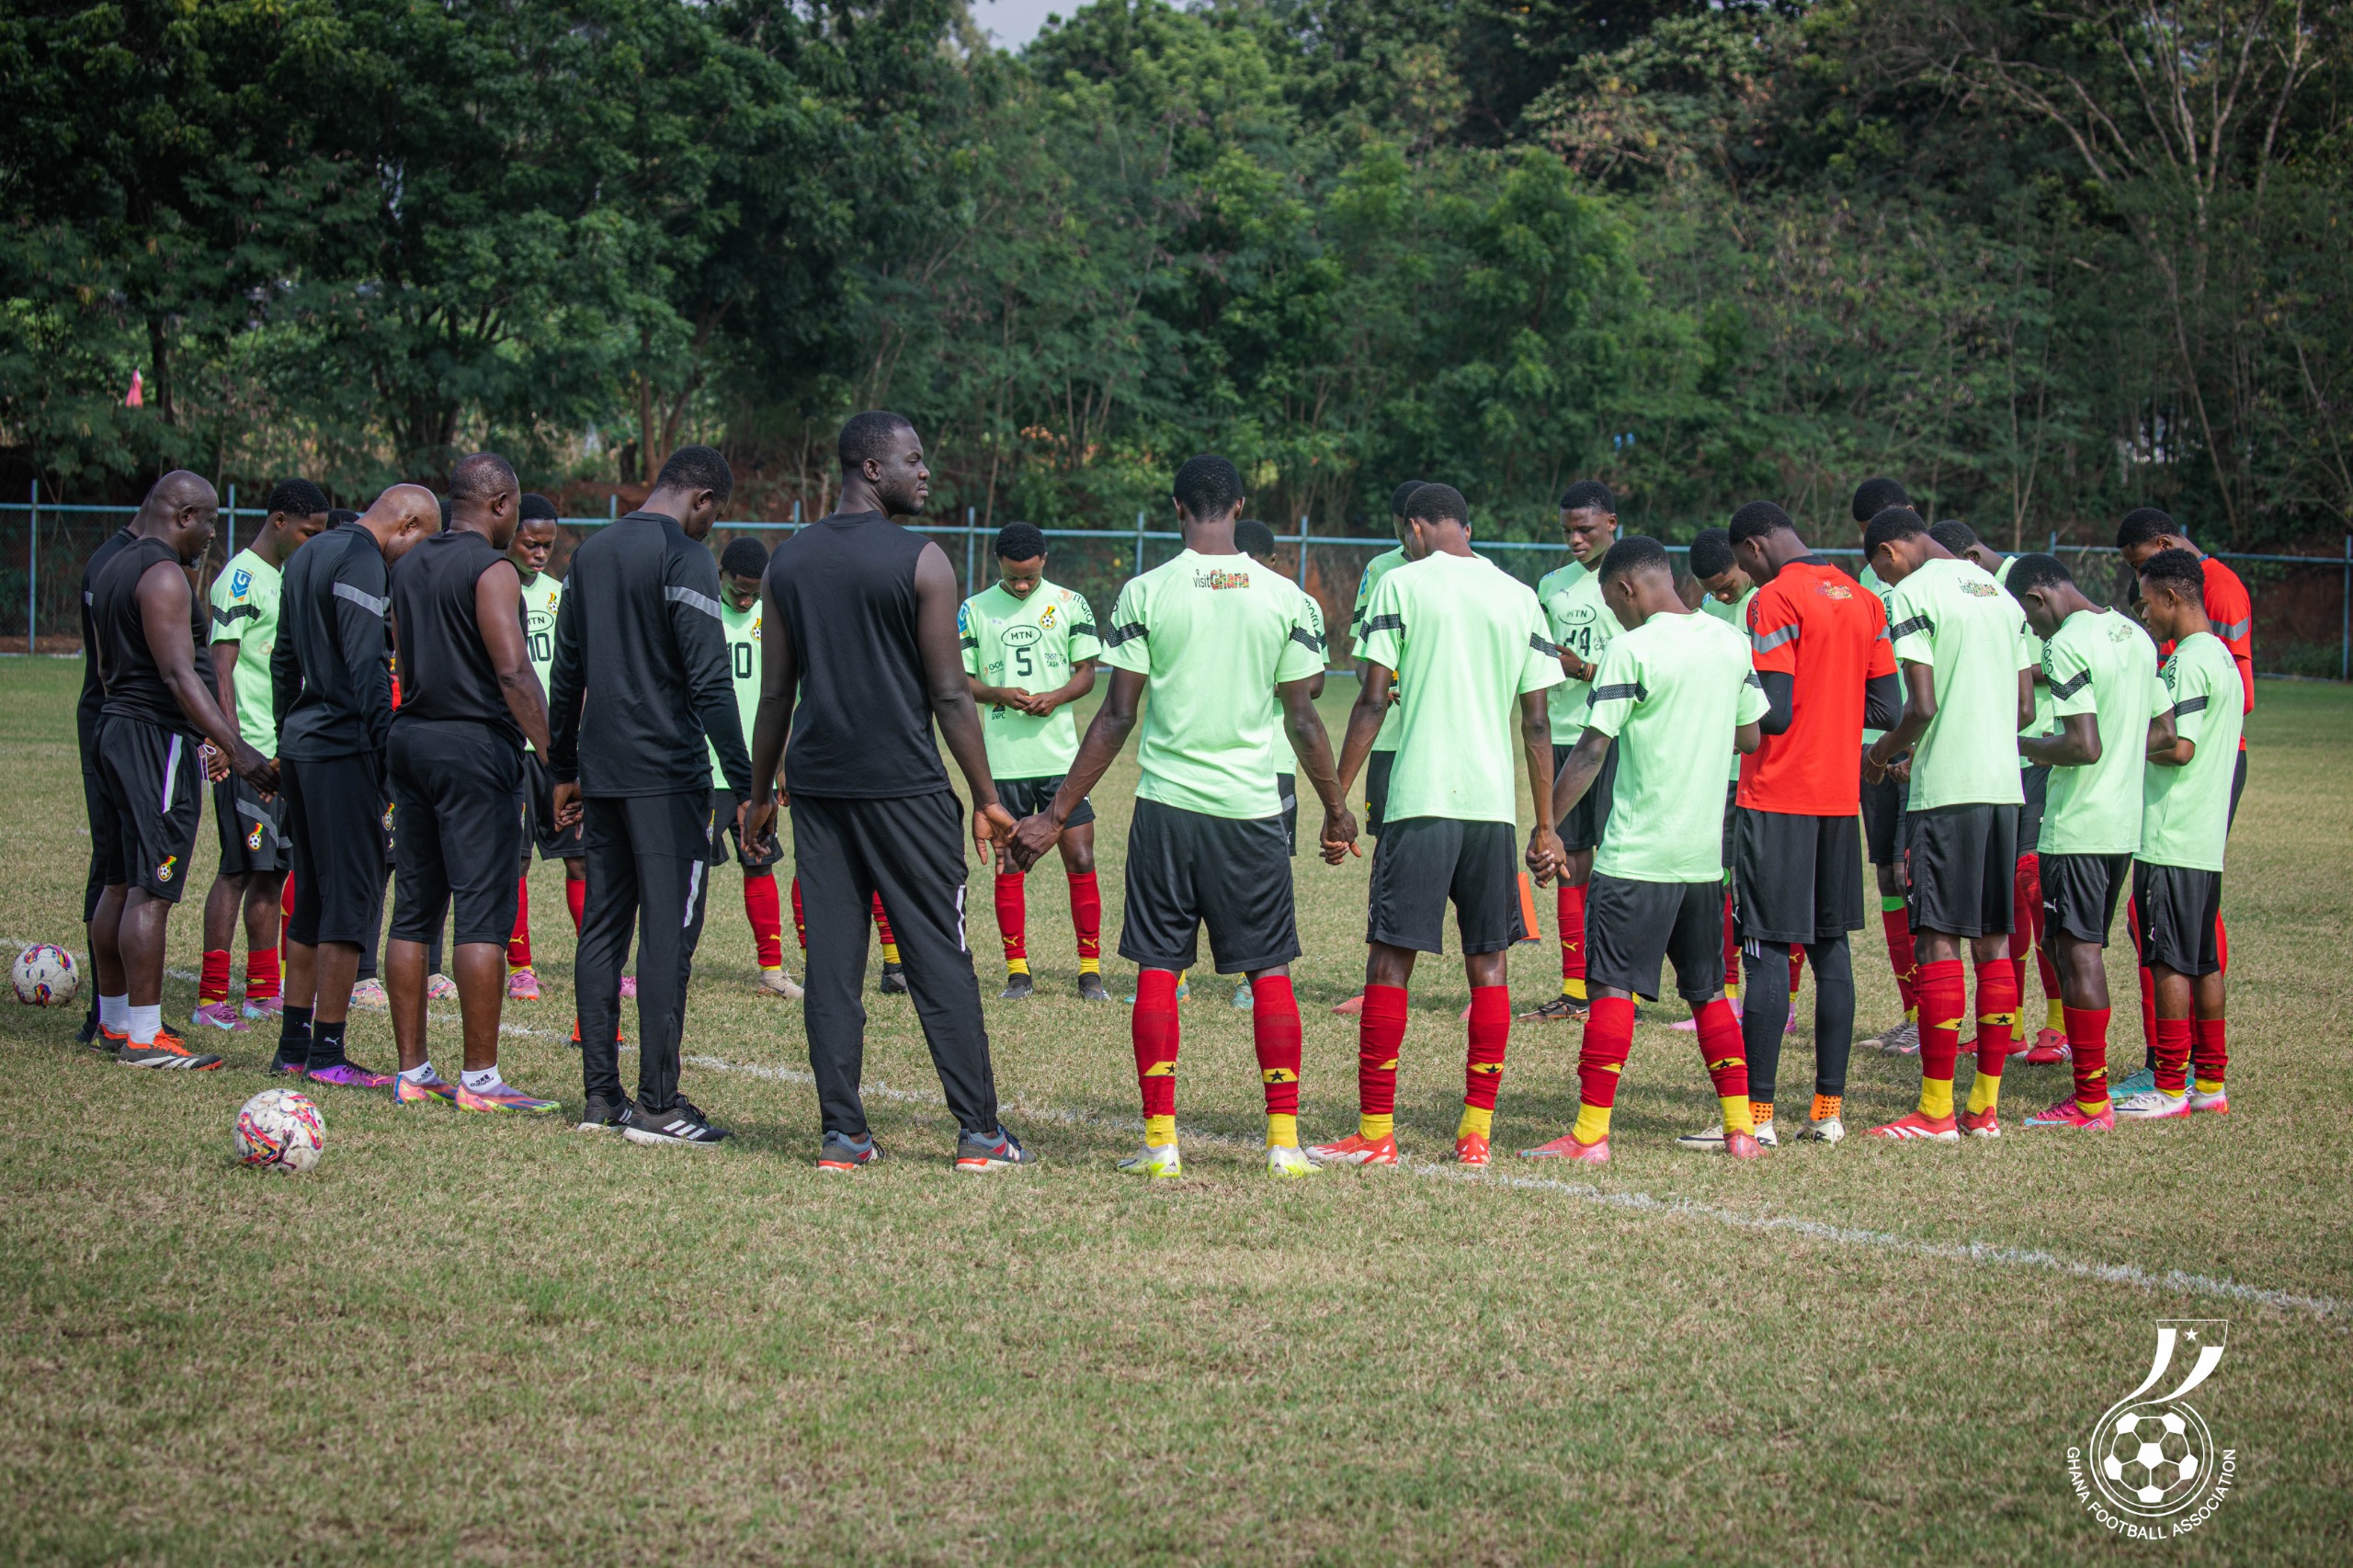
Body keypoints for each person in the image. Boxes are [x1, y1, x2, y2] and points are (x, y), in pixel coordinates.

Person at [1006, 455, 1345, 1179]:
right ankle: (1283, 1146)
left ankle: (1161, 1146)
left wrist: (1054, 814)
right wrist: (1337, 806)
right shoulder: (1284, 596)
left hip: (1168, 810)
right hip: (1251, 812)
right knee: (1270, 969)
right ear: (1241, 504)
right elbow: (1305, 718)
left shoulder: (1145, 591)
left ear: (1176, 509)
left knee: (1159, 967)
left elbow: (1116, 715)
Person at [746, 413, 1033, 1173]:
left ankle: (842, 1135)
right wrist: (987, 794)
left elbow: (777, 696)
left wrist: (759, 794)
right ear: (871, 471)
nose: (924, 473)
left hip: (818, 790)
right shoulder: (923, 561)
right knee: (941, 956)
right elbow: (948, 694)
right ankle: (980, 1134)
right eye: (912, 460)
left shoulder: (787, 563)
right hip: (905, 790)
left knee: (834, 968)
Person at [1306, 483, 1553, 1170]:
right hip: (1492, 810)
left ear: (1414, 528)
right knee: (1490, 966)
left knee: (1390, 959)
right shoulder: (1519, 595)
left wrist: (1338, 801)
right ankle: (1476, 1136)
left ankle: (1376, 1134)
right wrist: (1545, 825)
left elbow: (1373, 696)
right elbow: (1536, 720)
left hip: (1419, 798)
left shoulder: (1402, 584)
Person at [1523, 537, 1770, 1164]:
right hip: (1700, 861)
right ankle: (1740, 1131)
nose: (1616, 615)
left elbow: (1590, 751)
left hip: (1635, 858)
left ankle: (1589, 1136)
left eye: (1613, 603)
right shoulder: (1728, 641)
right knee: (1709, 993)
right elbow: (1749, 733)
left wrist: (1547, 826)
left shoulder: (1631, 650)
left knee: (1609, 990)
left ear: (1627, 591)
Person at [548, 446, 753, 1145]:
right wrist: (748, 781)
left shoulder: (591, 552)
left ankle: (600, 1099)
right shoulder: (684, 554)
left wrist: (561, 765)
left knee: (602, 930)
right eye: (713, 513)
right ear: (701, 500)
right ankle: (659, 1106)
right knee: (668, 939)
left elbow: (566, 669)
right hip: (667, 779)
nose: (710, 526)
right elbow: (709, 681)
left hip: (602, 773)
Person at [1705, 503, 1901, 1147]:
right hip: (1839, 802)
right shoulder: (1861, 597)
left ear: (1755, 547)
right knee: (1830, 952)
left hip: (1777, 798)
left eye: (1744, 563)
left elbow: (1779, 713)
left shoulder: (1775, 599)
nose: (1747, 576)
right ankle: (1827, 1112)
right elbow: (1888, 704)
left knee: (1763, 953)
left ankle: (1757, 1119)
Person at [381, 453, 560, 1113]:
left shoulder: (408, 562)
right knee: (482, 910)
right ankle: (481, 1081)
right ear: (503, 505)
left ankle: (413, 1071)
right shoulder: (493, 569)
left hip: (411, 737)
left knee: (415, 909)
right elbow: (513, 671)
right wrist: (553, 756)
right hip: (471, 747)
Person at [86, 472, 278, 1067]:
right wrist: (238, 751)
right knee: (153, 886)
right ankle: (146, 1037)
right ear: (186, 515)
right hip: (155, 740)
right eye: (210, 526)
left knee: (119, 879)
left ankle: (116, 1020)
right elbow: (179, 676)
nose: (211, 542)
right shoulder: (164, 574)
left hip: (114, 728)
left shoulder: (114, 562)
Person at [1859, 507, 2037, 1141]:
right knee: (1992, 946)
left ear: (1888, 554)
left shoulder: (1909, 592)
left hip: (1948, 795)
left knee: (1937, 940)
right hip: (2004, 789)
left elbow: (1922, 704)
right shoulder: (1999, 593)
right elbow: (2023, 705)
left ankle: (1935, 1111)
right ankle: (1983, 1110)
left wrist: (1881, 756)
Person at [273, 484, 437, 1085]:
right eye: (422, 542)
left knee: (312, 897)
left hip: (302, 747)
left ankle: (292, 1044)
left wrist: (285, 732)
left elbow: (284, 658)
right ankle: (326, 1054)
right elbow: (368, 664)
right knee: (350, 902)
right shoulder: (364, 561)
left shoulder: (308, 553)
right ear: (407, 524)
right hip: (346, 751)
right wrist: (389, 757)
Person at [2004, 554, 2173, 1131]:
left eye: (2029, 621)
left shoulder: (2066, 643)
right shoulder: (2136, 636)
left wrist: (2023, 746)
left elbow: (2083, 745)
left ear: (2038, 599)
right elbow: (2165, 733)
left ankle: (2091, 1102)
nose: (2033, 633)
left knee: (2078, 952)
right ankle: (2091, 1086)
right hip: (2122, 824)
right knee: (2071, 945)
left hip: (2077, 824)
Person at [2113, 506, 2252, 1097]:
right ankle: (2210, 1082)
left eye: (2147, 605)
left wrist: (2119, 741)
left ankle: (2168, 1085)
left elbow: (2178, 745)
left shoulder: (2190, 661)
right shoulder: (2220, 657)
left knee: (2167, 959)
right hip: (2199, 835)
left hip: (2170, 834)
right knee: (2202, 960)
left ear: (2171, 595)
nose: (2145, 616)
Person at [191, 478, 328, 1032]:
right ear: (277, 521)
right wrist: (228, 743)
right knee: (236, 870)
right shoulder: (241, 577)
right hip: (246, 753)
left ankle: (263, 991)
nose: (313, 541)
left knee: (272, 872)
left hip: (282, 753)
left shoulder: (285, 576)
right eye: (307, 531)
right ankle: (208, 999)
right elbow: (219, 667)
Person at [1930, 517, 2064, 1059]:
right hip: (2002, 757)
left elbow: (2041, 676)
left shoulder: (2024, 590)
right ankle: (2008, 1029)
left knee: (2030, 888)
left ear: (1968, 556)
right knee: (2005, 896)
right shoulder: (1986, 590)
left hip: (2033, 754)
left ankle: (2054, 1025)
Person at [961, 521, 1105, 1001]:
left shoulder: (1069, 603)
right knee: (1009, 866)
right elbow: (960, 683)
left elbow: (1088, 672)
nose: (1022, 585)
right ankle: (1018, 973)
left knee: (1081, 859)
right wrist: (996, 692)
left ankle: (1090, 972)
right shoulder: (974, 610)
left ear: (1044, 559)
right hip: (1002, 764)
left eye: (1030, 576)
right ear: (998, 563)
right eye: (1013, 577)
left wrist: (1058, 695)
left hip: (1062, 762)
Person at [1526, 479, 1620, 1022]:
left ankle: (1618, 983)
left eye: (1585, 529)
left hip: (1617, 736)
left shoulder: (1634, 577)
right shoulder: (1551, 585)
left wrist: (1583, 668)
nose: (1575, 540)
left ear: (1611, 522)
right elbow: (1538, 658)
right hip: (1563, 734)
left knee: (1618, 860)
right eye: (1567, 531)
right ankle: (1576, 989)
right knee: (1570, 857)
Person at [1329, 482, 1425, 1017]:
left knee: (1472, 857)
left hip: (1450, 740)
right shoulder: (1381, 571)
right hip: (1389, 739)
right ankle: (1381, 984)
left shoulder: (1473, 574)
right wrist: (1380, 682)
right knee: (1389, 854)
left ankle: (1481, 985)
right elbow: (1367, 655)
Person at [1230, 517, 1326, 1011]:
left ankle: (1253, 978)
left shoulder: (1298, 602)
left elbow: (1313, 684)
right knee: (1206, 866)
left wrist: (1255, 679)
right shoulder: (1214, 592)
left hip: (1272, 755)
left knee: (1265, 867)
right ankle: (1177, 976)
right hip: (1219, 755)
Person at [710, 535, 799, 998]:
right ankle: (667, 963)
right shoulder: (700, 613)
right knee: (684, 873)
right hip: (703, 770)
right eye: (737, 590)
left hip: (756, 772)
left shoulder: (774, 619)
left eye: (753, 592)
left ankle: (771, 972)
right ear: (719, 575)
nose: (745, 599)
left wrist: (779, 766)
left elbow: (784, 700)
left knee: (759, 864)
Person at [1850, 477, 1920, 1054]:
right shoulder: (1864, 585)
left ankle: (1933, 1018)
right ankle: (1912, 1011)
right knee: (1887, 877)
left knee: (1915, 877)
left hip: (1918, 745)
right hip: (1874, 746)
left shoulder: (1934, 579)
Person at [502, 492, 572, 1002]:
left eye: (548, 545)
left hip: (560, 744)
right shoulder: (491, 586)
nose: (540, 553)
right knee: (516, 860)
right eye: (531, 543)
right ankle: (520, 965)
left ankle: (604, 960)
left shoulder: (559, 594)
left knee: (583, 855)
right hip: (512, 746)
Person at [74, 508, 140, 1048]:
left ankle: (109, 1009)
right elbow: (105, 665)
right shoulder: (117, 563)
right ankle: (108, 1008)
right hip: (116, 720)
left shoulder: (115, 558)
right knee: (115, 868)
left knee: (117, 865)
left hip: (111, 719)